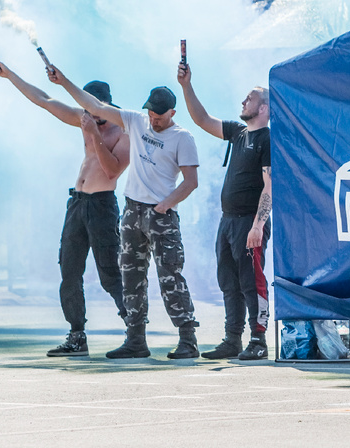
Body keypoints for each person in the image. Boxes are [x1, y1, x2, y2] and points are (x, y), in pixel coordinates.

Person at [49, 65, 202, 360]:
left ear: (172, 113)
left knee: (169, 275)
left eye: (159, 116)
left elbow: (191, 182)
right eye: (151, 115)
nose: (154, 120)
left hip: (160, 215)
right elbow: (94, 106)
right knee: (131, 278)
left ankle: (187, 338)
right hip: (133, 211)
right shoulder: (137, 121)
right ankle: (135, 340)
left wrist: (165, 205)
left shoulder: (183, 138)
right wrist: (62, 80)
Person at [0, 57, 129, 358]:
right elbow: (43, 99)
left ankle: (134, 329)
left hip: (102, 205)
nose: (94, 116)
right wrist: (9, 74)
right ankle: (77, 334)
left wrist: (94, 134)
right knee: (69, 271)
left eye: (98, 110)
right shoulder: (83, 117)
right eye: (89, 109)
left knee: (110, 274)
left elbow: (112, 171)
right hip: (77, 204)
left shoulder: (123, 129)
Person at [176, 59, 272, 361]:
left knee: (250, 281)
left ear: (264, 108)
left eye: (251, 98)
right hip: (228, 221)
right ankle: (232, 339)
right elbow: (202, 118)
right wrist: (186, 85)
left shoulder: (267, 139)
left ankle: (258, 340)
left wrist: (258, 225)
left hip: (249, 222)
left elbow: (270, 187)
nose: (244, 101)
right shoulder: (238, 133)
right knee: (228, 281)